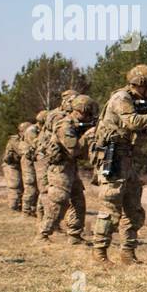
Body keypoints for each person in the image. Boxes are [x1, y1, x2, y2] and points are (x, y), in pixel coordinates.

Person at [92, 65, 147, 263]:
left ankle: (128, 253)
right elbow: (132, 122)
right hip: (113, 159)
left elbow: (140, 131)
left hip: (127, 160)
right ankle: (99, 253)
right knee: (110, 207)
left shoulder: (134, 101)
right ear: (142, 84)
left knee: (134, 210)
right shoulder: (122, 98)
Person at [37, 95, 96, 245]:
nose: (89, 116)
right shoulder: (64, 125)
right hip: (59, 169)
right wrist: (87, 137)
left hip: (71, 168)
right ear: (79, 110)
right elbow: (73, 150)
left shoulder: (78, 125)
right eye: (87, 113)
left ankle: (75, 235)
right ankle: (43, 234)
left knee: (78, 200)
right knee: (59, 201)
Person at [1, 124, 26, 212]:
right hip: (11, 165)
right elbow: (21, 151)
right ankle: (13, 207)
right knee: (15, 186)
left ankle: (18, 206)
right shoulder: (15, 140)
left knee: (21, 186)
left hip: (18, 165)